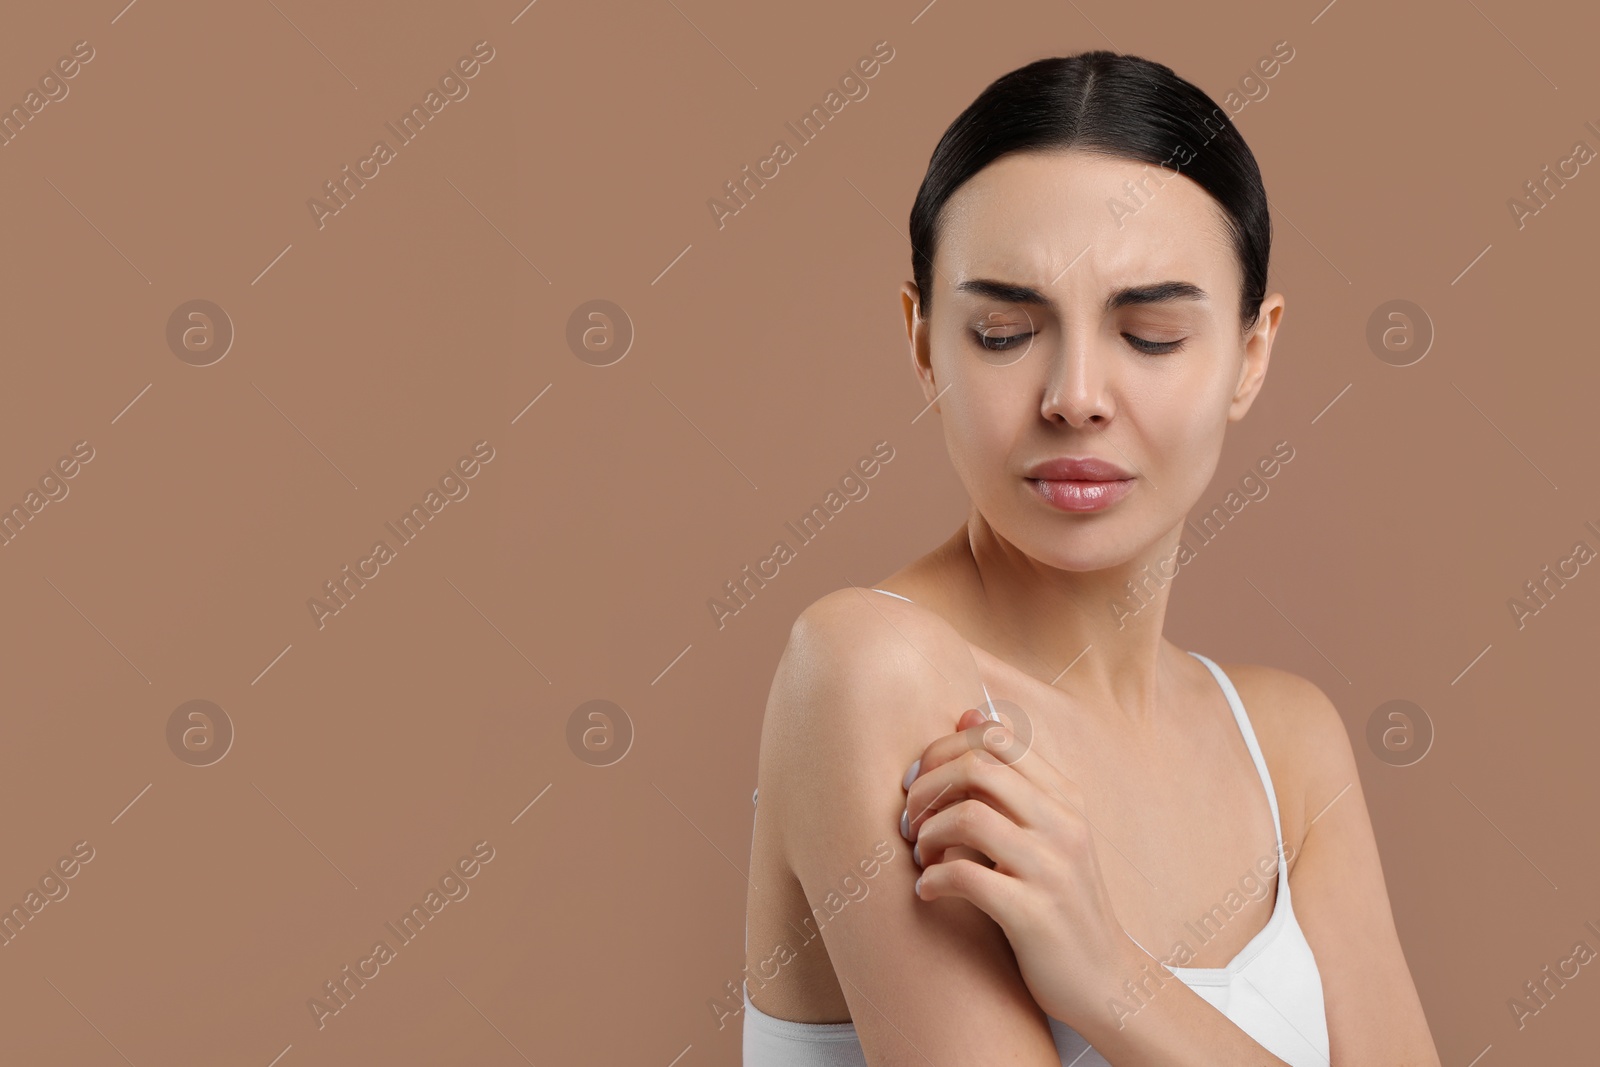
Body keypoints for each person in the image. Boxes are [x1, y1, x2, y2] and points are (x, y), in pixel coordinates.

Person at [741, 50, 1442, 1065]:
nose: (1074, 394)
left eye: (1150, 334)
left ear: (1251, 354)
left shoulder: (1289, 746)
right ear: (922, 338)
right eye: (1002, 330)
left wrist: (1113, 978)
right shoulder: (871, 672)